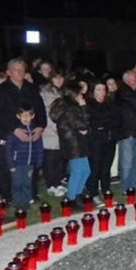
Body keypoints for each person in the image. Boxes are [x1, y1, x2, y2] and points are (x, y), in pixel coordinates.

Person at [0, 58, 47, 201]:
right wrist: (13, 129)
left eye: (22, 69)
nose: (19, 73)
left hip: (31, 134)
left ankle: (30, 192)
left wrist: (40, 127)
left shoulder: (31, 89)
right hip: (10, 135)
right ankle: (7, 194)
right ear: (8, 72)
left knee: (30, 164)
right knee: (7, 165)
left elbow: (40, 109)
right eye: (16, 70)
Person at [49, 80, 90, 208]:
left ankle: (77, 195)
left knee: (85, 170)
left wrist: (86, 129)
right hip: (73, 144)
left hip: (76, 143)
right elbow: (82, 124)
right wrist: (84, 108)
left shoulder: (68, 107)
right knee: (78, 171)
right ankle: (71, 199)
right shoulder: (71, 108)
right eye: (79, 94)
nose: (82, 96)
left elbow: (85, 127)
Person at [84, 82, 123, 202]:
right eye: (98, 90)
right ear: (93, 91)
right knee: (95, 168)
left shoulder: (110, 104)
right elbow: (92, 122)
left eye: (103, 90)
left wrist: (105, 124)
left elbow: (118, 119)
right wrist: (105, 123)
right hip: (95, 140)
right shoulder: (89, 105)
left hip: (109, 139)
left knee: (106, 168)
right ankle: (93, 192)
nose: (101, 93)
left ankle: (106, 191)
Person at [5, 106, 44, 210]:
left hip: (30, 163)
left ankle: (26, 202)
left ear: (33, 116)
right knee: (17, 183)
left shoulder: (35, 131)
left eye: (28, 115)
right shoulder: (15, 132)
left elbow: (39, 147)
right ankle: (17, 203)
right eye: (23, 115)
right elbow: (8, 149)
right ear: (18, 116)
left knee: (27, 183)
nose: (26, 118)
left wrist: (39, 162)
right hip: (17, 163)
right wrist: (11, 164)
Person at [40, 71, 66, 196]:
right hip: (50, 131)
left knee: (59, 159)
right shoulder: (46, 93)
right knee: (50, 158)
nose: (59, 80)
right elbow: (46, 113)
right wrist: (53, 126)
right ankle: (51, 184)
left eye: (61, 78)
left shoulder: (62, 92)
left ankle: (58, 182)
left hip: (61, 130)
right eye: (56, 78)